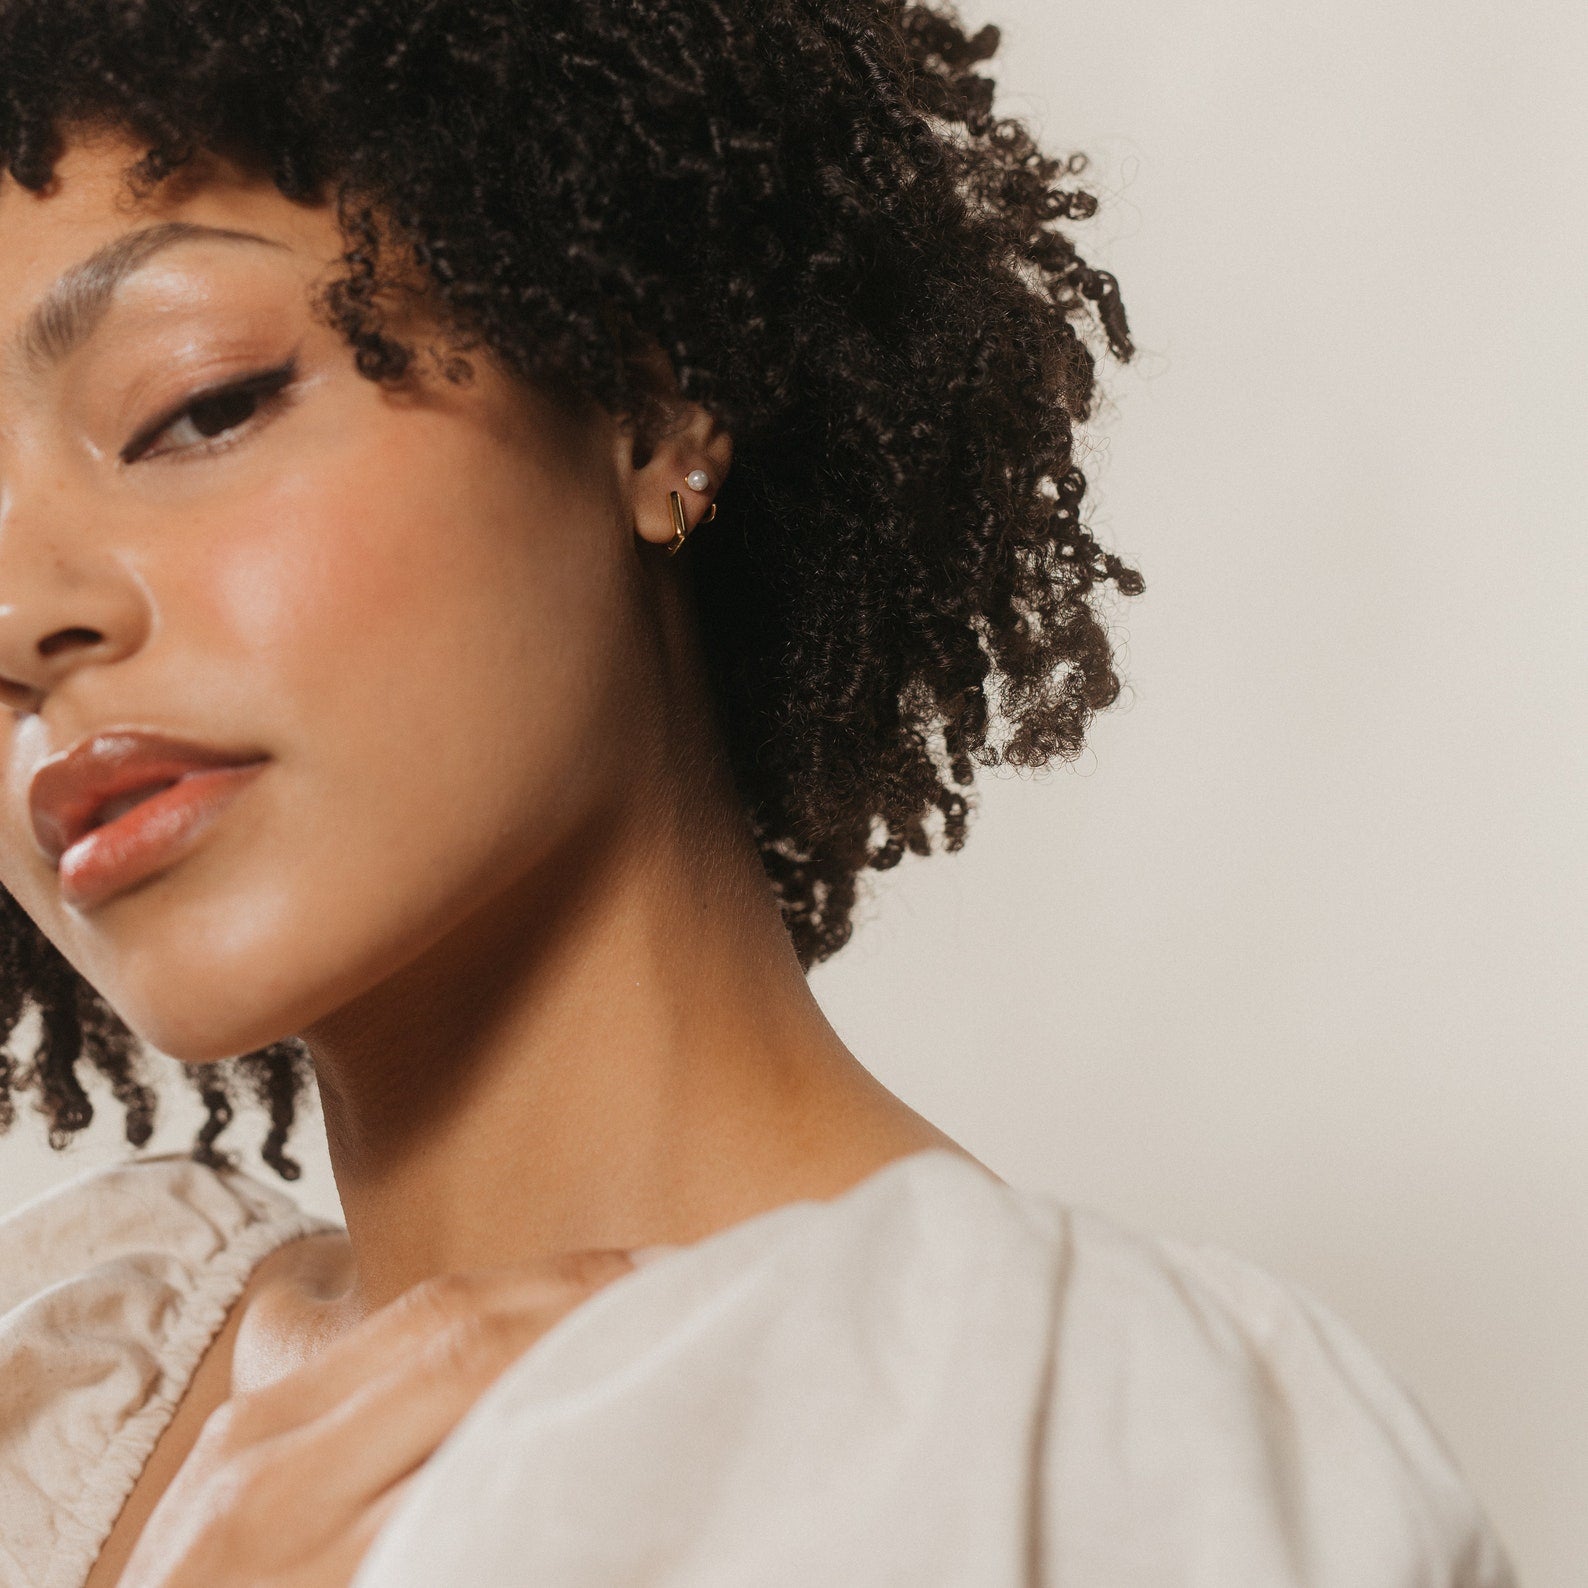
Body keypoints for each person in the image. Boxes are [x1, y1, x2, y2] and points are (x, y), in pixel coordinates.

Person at [0, 2, 1513, 1584]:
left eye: (199, 404)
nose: (20, 610)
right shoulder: (65, 1397)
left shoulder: (1071, 1451)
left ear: (646, 405)